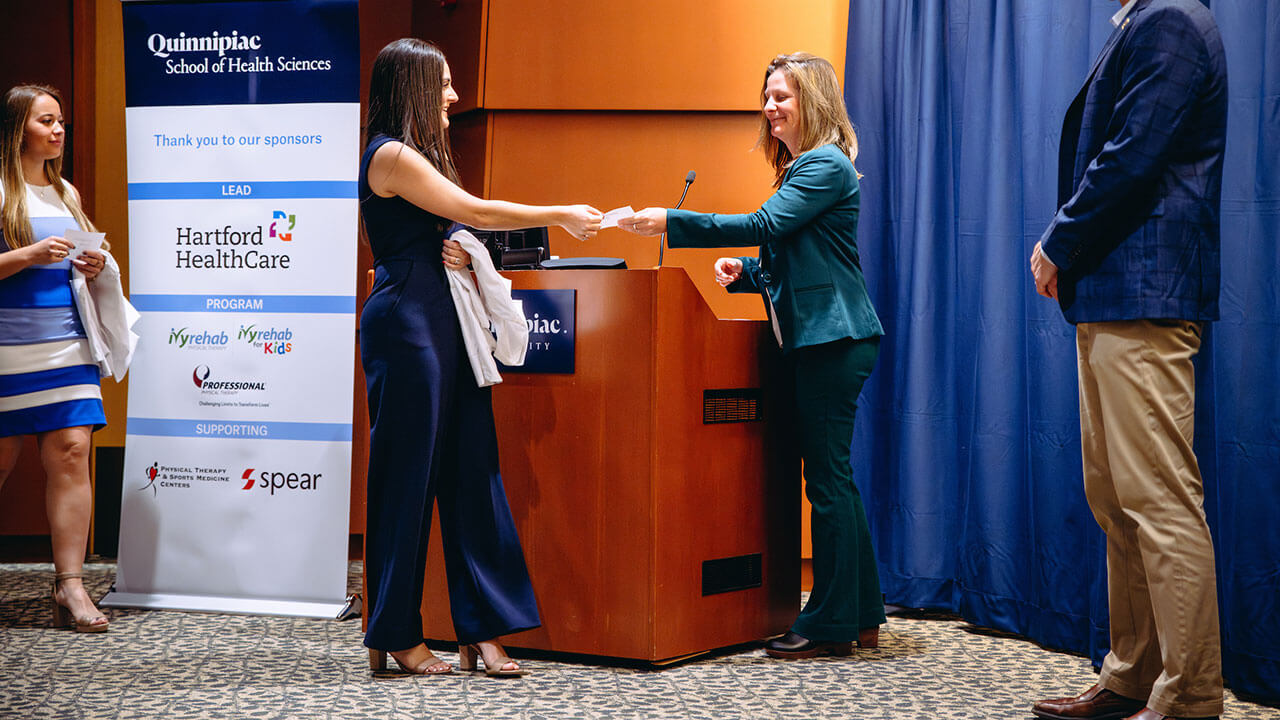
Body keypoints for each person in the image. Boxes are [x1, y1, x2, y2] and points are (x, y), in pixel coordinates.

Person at [622, 52, 886, 659]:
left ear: (812, 102)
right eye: (766, 98)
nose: (769, 108)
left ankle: (829, 623)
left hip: (833, 339)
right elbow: (797, 254)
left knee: (827, 480)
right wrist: (747, 272)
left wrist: (671, 222)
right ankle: (860, 611)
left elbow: (765, 223)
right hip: (822, 337)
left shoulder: (821, 165)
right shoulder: (806, 167)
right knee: (832, 477)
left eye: (782, 97)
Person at [359, 38, 601, 677]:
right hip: (407, 323)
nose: (454, 96)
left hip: (448, 322)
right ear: (411, 85)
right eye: (442, 83)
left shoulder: (420, 156)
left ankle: (482, 630)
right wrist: (562, 212)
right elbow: (472, 210)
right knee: (406, 481)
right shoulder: (389, 154)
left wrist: (464, 250)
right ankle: (396, 631)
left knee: (474, 471)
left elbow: (453, 226)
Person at [1029, 1, 1228, 719]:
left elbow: (1134, 153)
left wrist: (1059, 241)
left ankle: (1190, 695)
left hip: (1144, 291)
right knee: (1117, 501)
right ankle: (1132, 677)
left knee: (1160, 502)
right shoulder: (1153, 18)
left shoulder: (1171, 17)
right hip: (1115, 294)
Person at [0, 84, 110, 632]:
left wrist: (90, 266)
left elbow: (76, 262)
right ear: (18, 128)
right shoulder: (0, 189)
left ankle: (70, 584)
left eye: (61, 120)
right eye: (47, 121)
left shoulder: (66, 191)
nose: (58, 130)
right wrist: (27, 254)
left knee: (71, 451)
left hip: (66, 344)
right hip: (5, 349)